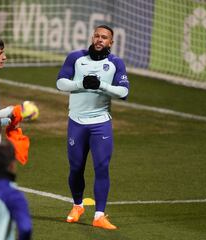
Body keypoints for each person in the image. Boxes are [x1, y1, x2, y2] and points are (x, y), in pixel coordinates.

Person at [56, 25, 129, 230]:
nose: (99, 40)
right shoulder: (76, 58)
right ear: (92, 37)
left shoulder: (115, 63)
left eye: (104, 37)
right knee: (76, 168)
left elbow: (124, 92)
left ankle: (99, 215)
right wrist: (81, 84)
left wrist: (101, 85)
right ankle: (77, 206)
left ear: (111, 42)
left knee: (102, 167)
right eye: (96, 35)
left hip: (100, 124)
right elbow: (60, 83)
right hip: (76, 123)